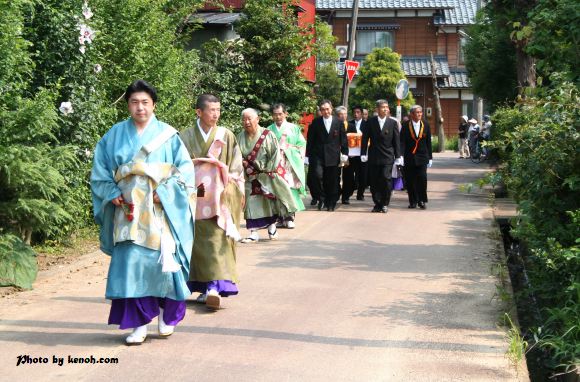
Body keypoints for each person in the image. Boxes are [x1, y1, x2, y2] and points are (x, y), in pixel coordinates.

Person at [91, 79, 196, 345]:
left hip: (160, 211)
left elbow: (184, 171)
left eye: (145, 103)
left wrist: (168, 192)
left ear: (154, 105)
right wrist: (111, 193)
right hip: (129, 212)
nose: (140, 108)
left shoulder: (169, 136)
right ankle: (138, 324)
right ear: (127, 105)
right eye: (134, 102)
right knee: (131, 266)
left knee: (163, 266)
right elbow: (100, 171)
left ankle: (165, 316)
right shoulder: (113, 135)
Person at [180, 94, 245, 311]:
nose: (216, 114)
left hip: (220, 198)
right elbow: (178, 167)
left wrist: (231, 187)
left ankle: (214, 287)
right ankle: (201, 285)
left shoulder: (226, 135)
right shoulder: (186, 136)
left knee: (218, 239)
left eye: (218, 109)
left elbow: (236, 167)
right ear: (199, 112)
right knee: (195, 241)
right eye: (211, 110)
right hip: (193, 197)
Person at [237, 108, 299, 242]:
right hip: (249, 176)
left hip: (266, 175)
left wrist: (265, 169)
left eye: (249, 119)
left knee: (269, 203)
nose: (246, 122)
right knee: (250, 204)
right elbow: (237, 155)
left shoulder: (267, 134)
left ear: (257, 119)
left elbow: (275, 155)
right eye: (244, 119)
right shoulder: (240, 136)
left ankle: (272, 228)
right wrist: (243, 165)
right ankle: (253, 233)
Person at [267, 103, 306, 228]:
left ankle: (290, 216)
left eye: (280, 114)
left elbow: (301, 145)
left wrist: (288, 149)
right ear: (272, 115)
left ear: (285, 114)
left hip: (289, 163)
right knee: (277, 190)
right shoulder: (269, 129)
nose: (278, 117)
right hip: (275, 164)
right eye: (275, 114)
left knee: (290, 188)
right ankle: (279, 217)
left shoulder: (293, 128)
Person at [305, 100, 348, 211]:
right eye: (323, 109)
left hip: (333, 155)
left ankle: (331, 201)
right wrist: (307, 155)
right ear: (321, 111)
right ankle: (321, 198)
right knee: (317, 176)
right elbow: (310, 140)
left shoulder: (338, 122)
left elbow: (343, 140)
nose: (325, 111)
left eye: (327, 109)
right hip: (317, 155)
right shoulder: (315, 122)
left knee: (332, 180)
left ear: (331, 109)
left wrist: (345, 154)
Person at [360, 99, 402, 213]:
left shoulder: (392, 123)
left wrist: (398, 156)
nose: (385, 109)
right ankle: (377, 203)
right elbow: (365, 139)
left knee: (385, 179)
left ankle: (385, 203)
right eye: (383, 107)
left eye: (387, 107)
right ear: (377, 109)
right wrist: (363, 153)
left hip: (388, 156)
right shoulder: (370, 122)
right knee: (374, 181)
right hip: (374, 156)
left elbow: (396, 141)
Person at [400, 105, 433, 209]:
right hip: (409, 156)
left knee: (422, 178)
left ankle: (422, 200)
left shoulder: (426, 125)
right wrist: (400, 156)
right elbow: (402, 142)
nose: (419, 114)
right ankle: (412, 201)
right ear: (411, 114)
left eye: (420, 112)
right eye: (417, 112)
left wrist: (430, 157)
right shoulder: (405, 125)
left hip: (422, 156)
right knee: (410, 180)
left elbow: (428, 142)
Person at [342, 105, 367, 202]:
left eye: (358, 112)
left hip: (362, 154)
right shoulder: (348, 124)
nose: (356, 114)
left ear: (362, 114)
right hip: (350, 155)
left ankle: (360, 194)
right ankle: (346, 196)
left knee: (363, 176)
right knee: (348, 176)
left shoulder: (367, 124)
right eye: (354, 112)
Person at [335, 106, 350, 203]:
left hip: (348, 154)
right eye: (341, 114)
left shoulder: (351, 126)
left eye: (345, 114)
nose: (344, 116)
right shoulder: (334, 124)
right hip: (335, 154)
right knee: (336, 175)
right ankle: (336, 193)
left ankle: (346, 196)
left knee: (347, 177)